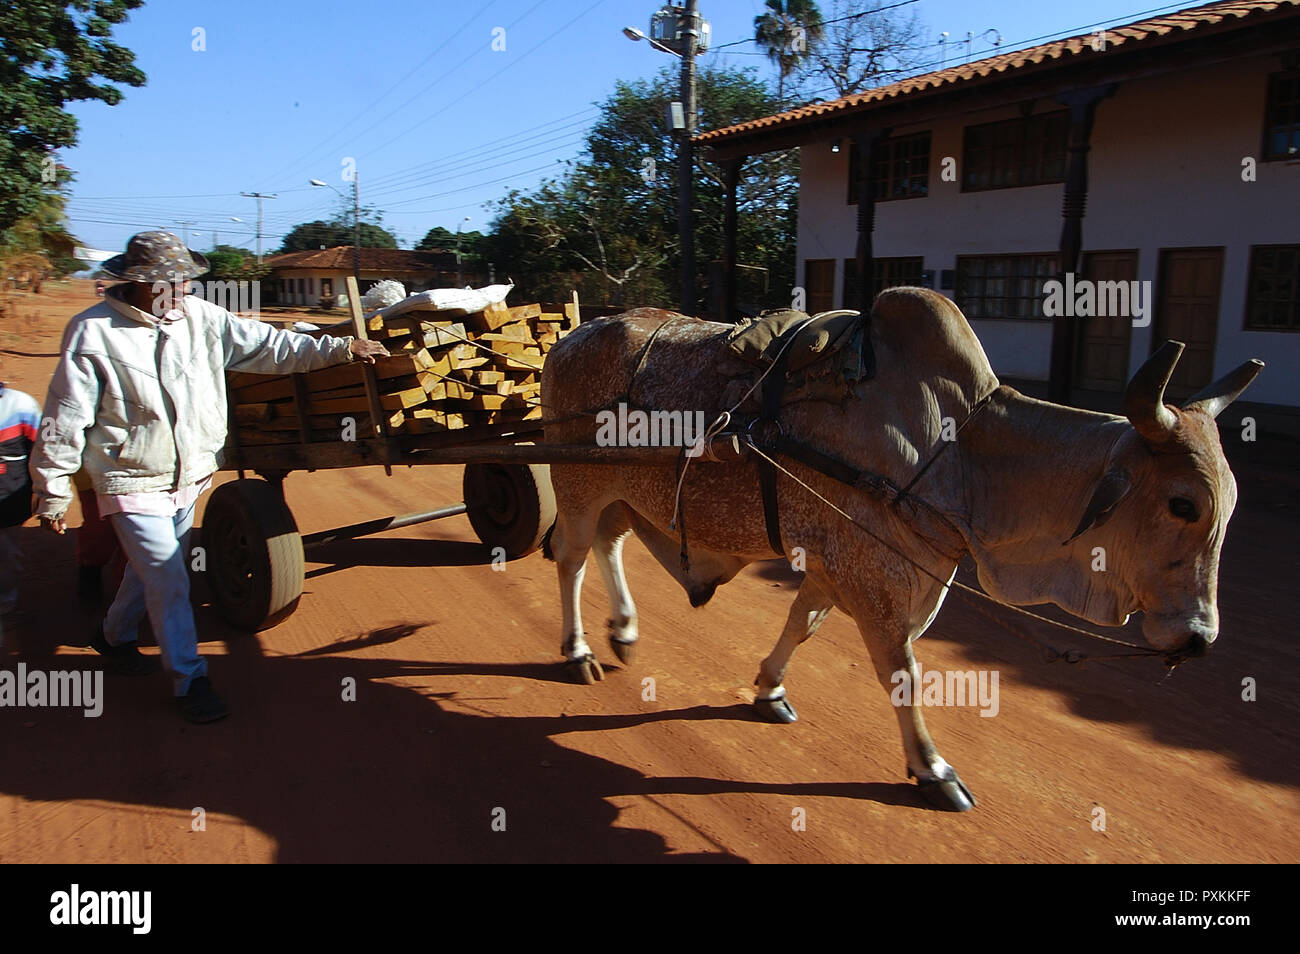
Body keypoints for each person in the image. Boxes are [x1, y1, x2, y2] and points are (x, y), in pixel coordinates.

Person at [29, 231, 389, 722]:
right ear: (138, 282)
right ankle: (189, 681)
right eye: (170, 281)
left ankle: (111, 637)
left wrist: (342, 348)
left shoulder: (203, 319)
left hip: (192, 471)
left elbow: (272, 347)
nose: (183, 288)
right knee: (169, 576)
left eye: (186, 279)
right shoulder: (92, 332)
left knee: (152, 568)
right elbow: (66, 413)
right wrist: (50, 489)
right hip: (130, 477)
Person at [0, 382, 40, 650]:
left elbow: (44, 450)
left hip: (7, 502)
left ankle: (5, 602)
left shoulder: (21, 405)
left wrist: (45, 491)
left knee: (6, 556)